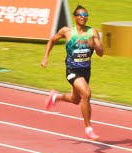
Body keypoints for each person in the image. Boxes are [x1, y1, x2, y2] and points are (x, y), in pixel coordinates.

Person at [41, 5, 103, 140]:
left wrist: (95, 45)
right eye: (80, 15)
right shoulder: (67, 31)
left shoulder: (93, 32)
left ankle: (54, 97)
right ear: (75, 17)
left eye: (85, 15)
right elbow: (52, 40)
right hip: (72, 69)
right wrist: (45, 57)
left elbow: (100, 53)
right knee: (86, 93)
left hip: (86, 70)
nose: (83, 17)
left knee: (76, 99)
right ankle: (88, 128)